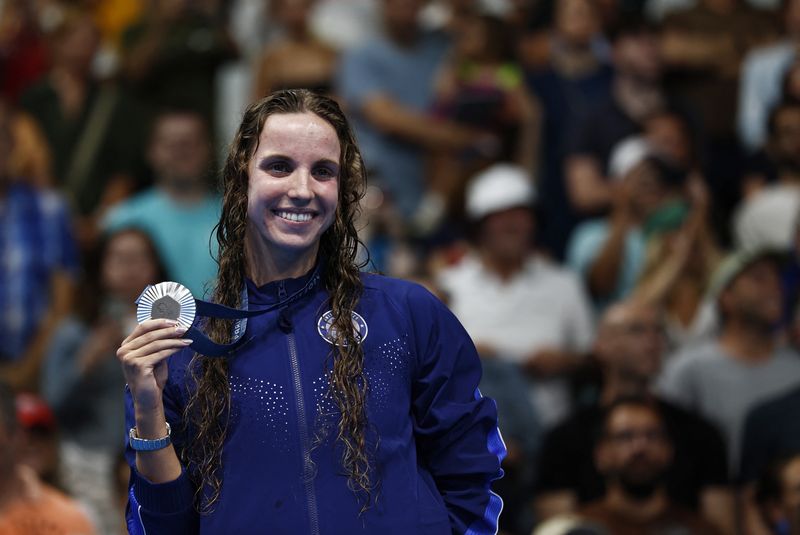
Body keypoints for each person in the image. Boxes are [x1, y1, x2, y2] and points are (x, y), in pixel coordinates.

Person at [117, 89, 505, 534]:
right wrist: (148, 410)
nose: (302, 190)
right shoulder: (185, 345)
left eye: (323, 172)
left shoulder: (408, 314)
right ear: (242, 178)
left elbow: (473, 468)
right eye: (280, 166)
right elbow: (163, 527)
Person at [533, 298, 733, 534]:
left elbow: (722, 527)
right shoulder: (564, 438)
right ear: (601, 345)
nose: (653, 342)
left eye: (659, 332)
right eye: (637, 331)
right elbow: (557, 529)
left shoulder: (701, 433)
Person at [42, 228, 168, 535]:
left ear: (155, 266)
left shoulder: (171, 329)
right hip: (87, 466)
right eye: (118, 258)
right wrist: (86, 360)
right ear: (99, 267)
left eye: (139, 258)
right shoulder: (75, 331)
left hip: (153, 460)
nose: (129, 268)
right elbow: (51, 404)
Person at [658, 248, 800, 473]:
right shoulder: (688, 368)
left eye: (777, 278)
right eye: (759, 278)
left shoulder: (796, 366)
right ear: (726, 297)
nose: (776, 287)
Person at [103, 106, 220, 298]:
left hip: (223, 326)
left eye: (190, 143)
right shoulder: (122, 219)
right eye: (171, 145)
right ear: (150, 151)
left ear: (209, 149)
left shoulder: (237, 218)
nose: (181, 153)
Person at [577, 398, 722, 535]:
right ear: (601, 454)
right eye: (625, 436)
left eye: (652, 435)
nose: (640, 447)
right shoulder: (577, 529)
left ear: (669, 450)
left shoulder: (699, 530)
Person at [0, 381, 97, 535]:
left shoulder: (66, 515)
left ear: (17, 435)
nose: (33, 446)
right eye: (30, 436)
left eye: (40, 436)